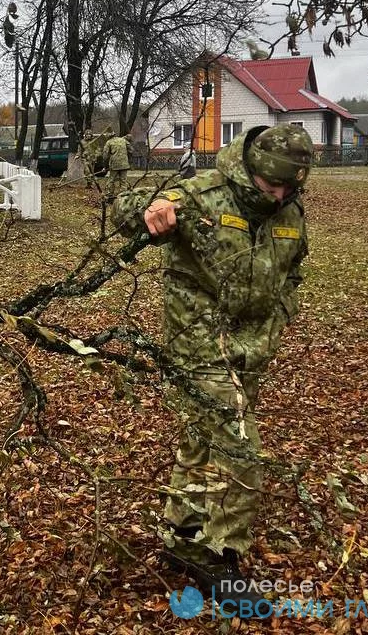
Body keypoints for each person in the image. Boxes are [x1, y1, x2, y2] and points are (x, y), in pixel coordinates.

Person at [111, 124, 312, 613]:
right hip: (197, 338)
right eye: (271, 185)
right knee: (237, 443)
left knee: (205, 438)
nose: (278, 196)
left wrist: (282, 313)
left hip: (253, 347)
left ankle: (182, 533)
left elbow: (293, 270)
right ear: (252, 169)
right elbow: (125, 212)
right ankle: (221, 556)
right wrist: (151, 209)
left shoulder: (290, 210)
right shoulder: (203, 194)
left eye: (288, 187)